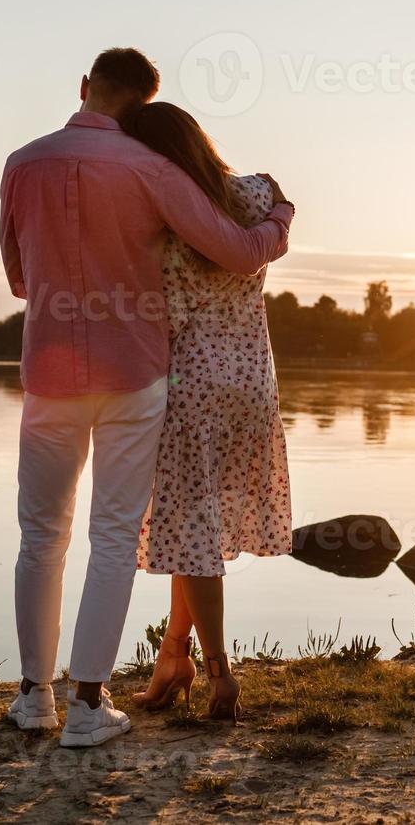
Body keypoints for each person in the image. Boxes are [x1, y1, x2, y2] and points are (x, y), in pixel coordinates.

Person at [0, 48, 294, 748]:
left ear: (84, 87)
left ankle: (33, 697)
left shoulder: (20, 162)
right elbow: (239, 249)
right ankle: (88, 708)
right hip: (133, 374)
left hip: (48, 372)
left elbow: (18, 277)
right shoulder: (152, 169)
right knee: (110, 537)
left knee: (41, 535)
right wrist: (280, 215)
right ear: (142, 106)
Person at [121, 103, 294, 722]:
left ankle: (221, 674)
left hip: (191, 387)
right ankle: (174, 657)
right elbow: (279, 206)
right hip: (251, 384)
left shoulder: (163, 209)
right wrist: (281, 212)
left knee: (192, 536)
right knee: (197, 530)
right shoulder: (252, 195)